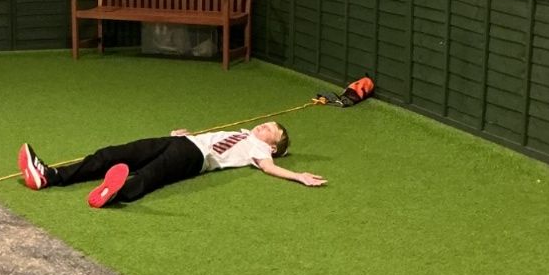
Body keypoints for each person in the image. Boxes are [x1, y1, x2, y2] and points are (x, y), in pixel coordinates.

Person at [18, 122, 325, 208]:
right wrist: (188, 134)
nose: (266, 126)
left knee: (153, 174)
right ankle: (50, 175)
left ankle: (117, 193)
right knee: (114, 153)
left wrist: (298, 175)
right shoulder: (244, 134)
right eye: (268, 124)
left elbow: (269, 168)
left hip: (196, 158)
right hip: (183, 142)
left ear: (273, 146)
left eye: (273, 131)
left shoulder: (261, 151)